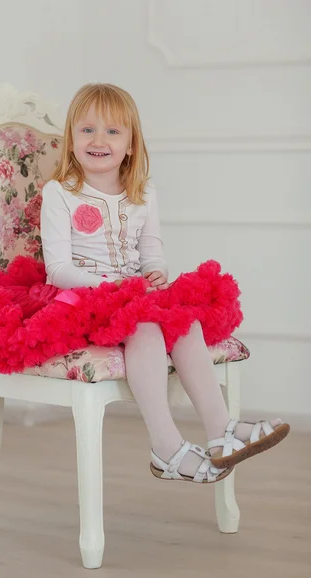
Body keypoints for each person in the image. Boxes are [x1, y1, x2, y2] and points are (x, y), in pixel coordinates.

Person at [41, 83, 289, 484]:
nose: (98, 140)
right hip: (84, 299)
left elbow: (151, 251)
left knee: (185, 323)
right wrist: (112, 287)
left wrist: (155, 272)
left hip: (135, 294)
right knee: (145, 328)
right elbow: (57, 269)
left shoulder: (143, 193)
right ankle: (165, 445)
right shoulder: (61, 194)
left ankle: (221, 430)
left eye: (112, 131)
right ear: (70, 140)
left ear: (132, 144)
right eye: (87, 130)